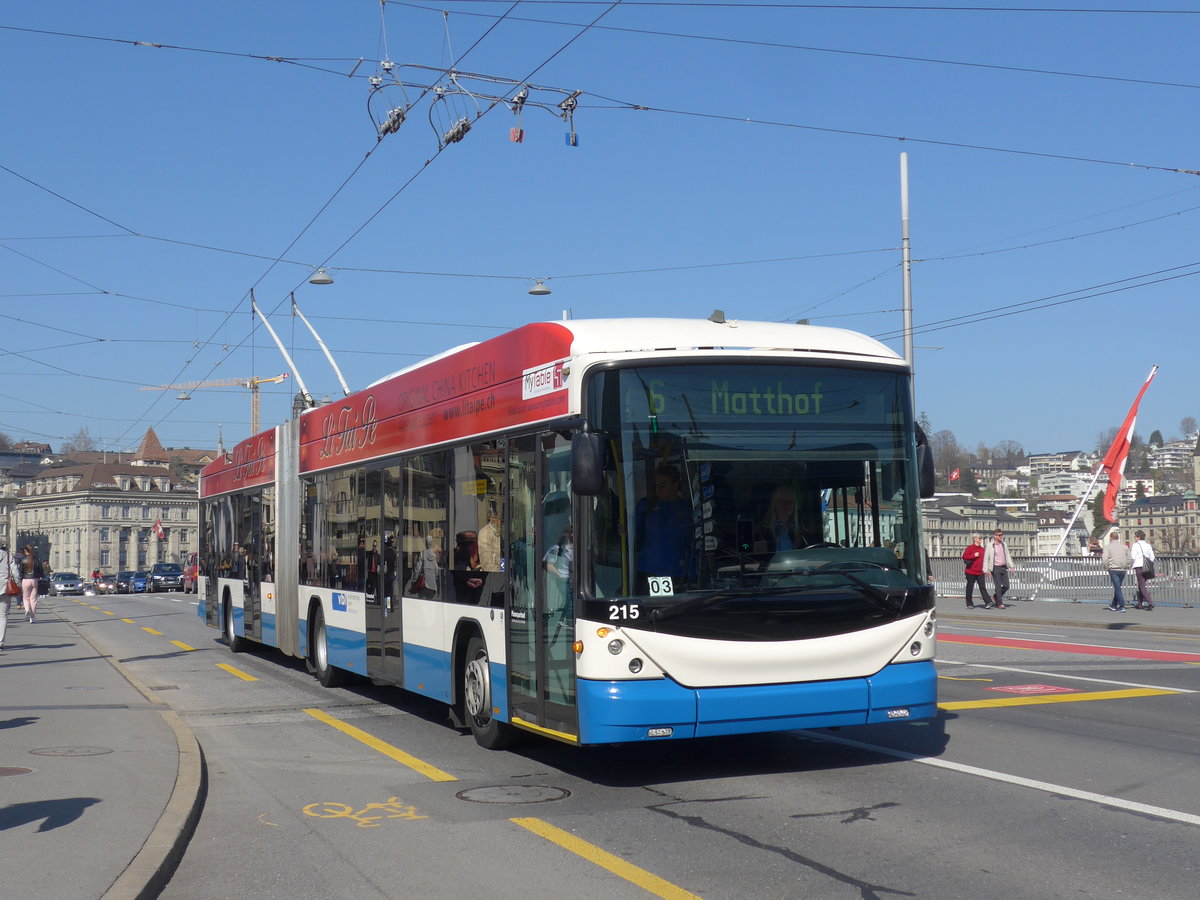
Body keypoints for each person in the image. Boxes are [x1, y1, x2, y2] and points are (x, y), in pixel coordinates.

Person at [635, 465, 693, 589]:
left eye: (663, 485)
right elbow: (632, 534)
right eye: (656, 485)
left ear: (675, 485)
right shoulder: (645, 506)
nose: (658, 489)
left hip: (681, 574)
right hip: (651, 571)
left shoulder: (687, 509)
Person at [759, 484, 801, 553]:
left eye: (790, 501)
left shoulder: (798, 531)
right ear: (774, 504)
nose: (786, 504)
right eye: (782, 501)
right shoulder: (764, 530)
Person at [1101, 530, 1131, 612]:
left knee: (1117, 588)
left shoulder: (1108, 547)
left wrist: (1106, 567)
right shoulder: (1125, 547)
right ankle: (1113, 604)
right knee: (1118, 587)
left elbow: (1104, 559)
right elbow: (1129, 558)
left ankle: (1122, 605)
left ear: (1111, 538)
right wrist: (1127, 566)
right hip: (1123, 569)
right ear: (1117, 538)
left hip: (1113, 569)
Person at [982, 529, 1012, 609]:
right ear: (995, 536)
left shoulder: (1004, 544)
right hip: (995, 567)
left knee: (1006, 586)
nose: (1001, 536)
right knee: (998, 586)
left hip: (1003, 567)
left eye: (1002, 534)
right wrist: (986, 570)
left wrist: (1011, 566)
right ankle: (1000, 603)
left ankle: (996, 596)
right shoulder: (990, 545)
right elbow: (986, 558)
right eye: (999, 535)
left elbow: (1007, 555)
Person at [961, 534, 989, 609]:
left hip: (980, 572)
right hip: (970, 571)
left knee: (982, 587)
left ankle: (988, 602)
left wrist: (987, 569)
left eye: (981, 538)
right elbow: (964, 557)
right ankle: (969, 603)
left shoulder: (982, 549)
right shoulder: (970, 548)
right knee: (970, 587)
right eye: (980, 538)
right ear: (975, 539)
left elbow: (985, 560)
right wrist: (974, 555)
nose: (981, 540)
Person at [1130, 529, 1155, 610]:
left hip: (1139, 566)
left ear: (1138, 537)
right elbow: (1152, 557)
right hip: (1147, 567)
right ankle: (1139, 603)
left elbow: (1133, 556)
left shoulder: (1135, 545)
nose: (1134, 538)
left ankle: (1150, 602)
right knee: (1141, 584)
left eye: (1135, 536)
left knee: (1141, 585)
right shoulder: (1148, 545)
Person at [1, 544, 20, 650]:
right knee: (2, 615)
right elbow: (15, 571)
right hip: (4, 587)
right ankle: (0, 642)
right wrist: (17, 584)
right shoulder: (8, 556)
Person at [18, 545, 43, 623]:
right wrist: (41, 577)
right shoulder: (36, 559)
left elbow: (21, 571)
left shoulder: (23, 560)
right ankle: (32, 617)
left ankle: (27, 609)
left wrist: (20, 579)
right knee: (33, 599)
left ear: (25, 551)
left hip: (25, 580)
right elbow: (40, 570)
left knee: (25, 598)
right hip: (34, 580)